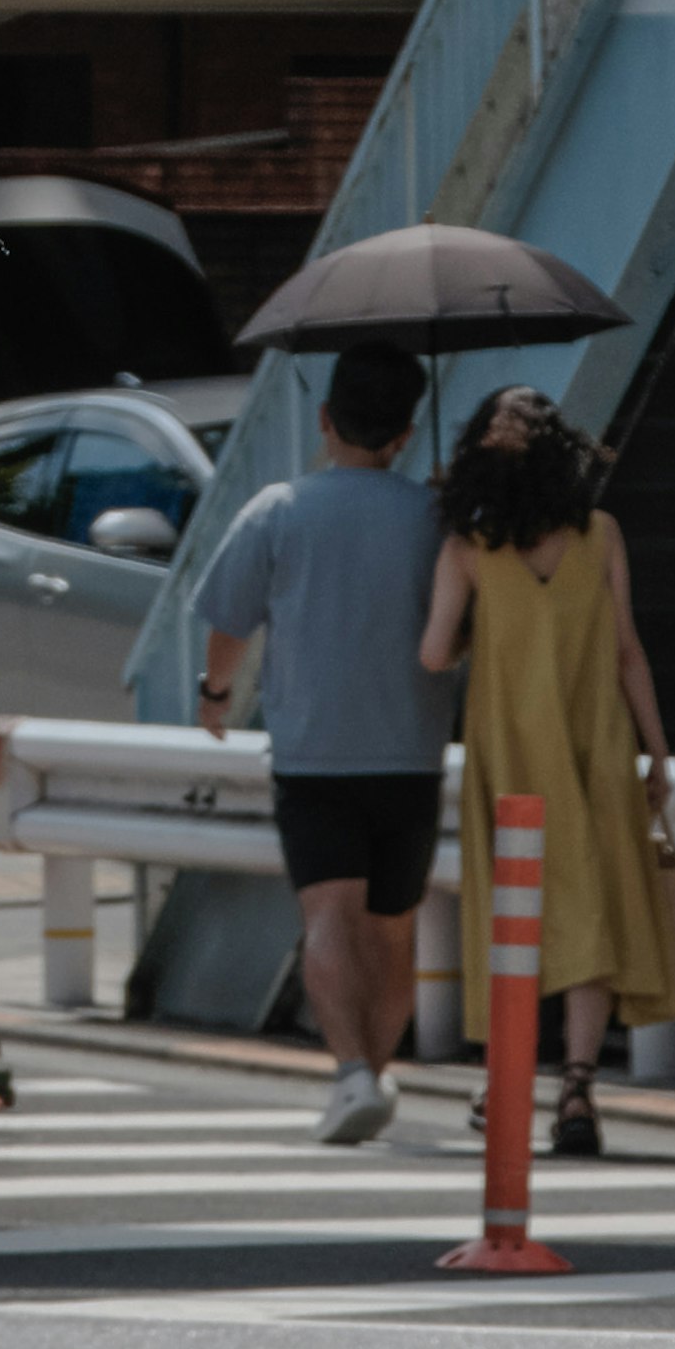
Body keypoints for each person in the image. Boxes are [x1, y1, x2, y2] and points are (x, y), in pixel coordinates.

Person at [194, 339, 449, 1148]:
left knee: (328, 917)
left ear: (324, 417)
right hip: (411, 750)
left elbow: (228, 622)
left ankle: (354, 1074)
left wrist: (215, 695)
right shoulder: (437, 518)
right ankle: (373, 1070)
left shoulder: (277, 509)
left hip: (312, 753)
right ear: (406, 432)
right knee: (392, 924)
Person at [416, 385, 675, 1157]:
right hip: (594, 745)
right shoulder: (600, 533)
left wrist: (477, 626)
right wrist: (657, 751)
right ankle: (577, 1086)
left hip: (511, 757)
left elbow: (433, 653)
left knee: (513, 917)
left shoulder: (468, 545)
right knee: (589, 910)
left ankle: (504, 1080)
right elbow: (628, 648)